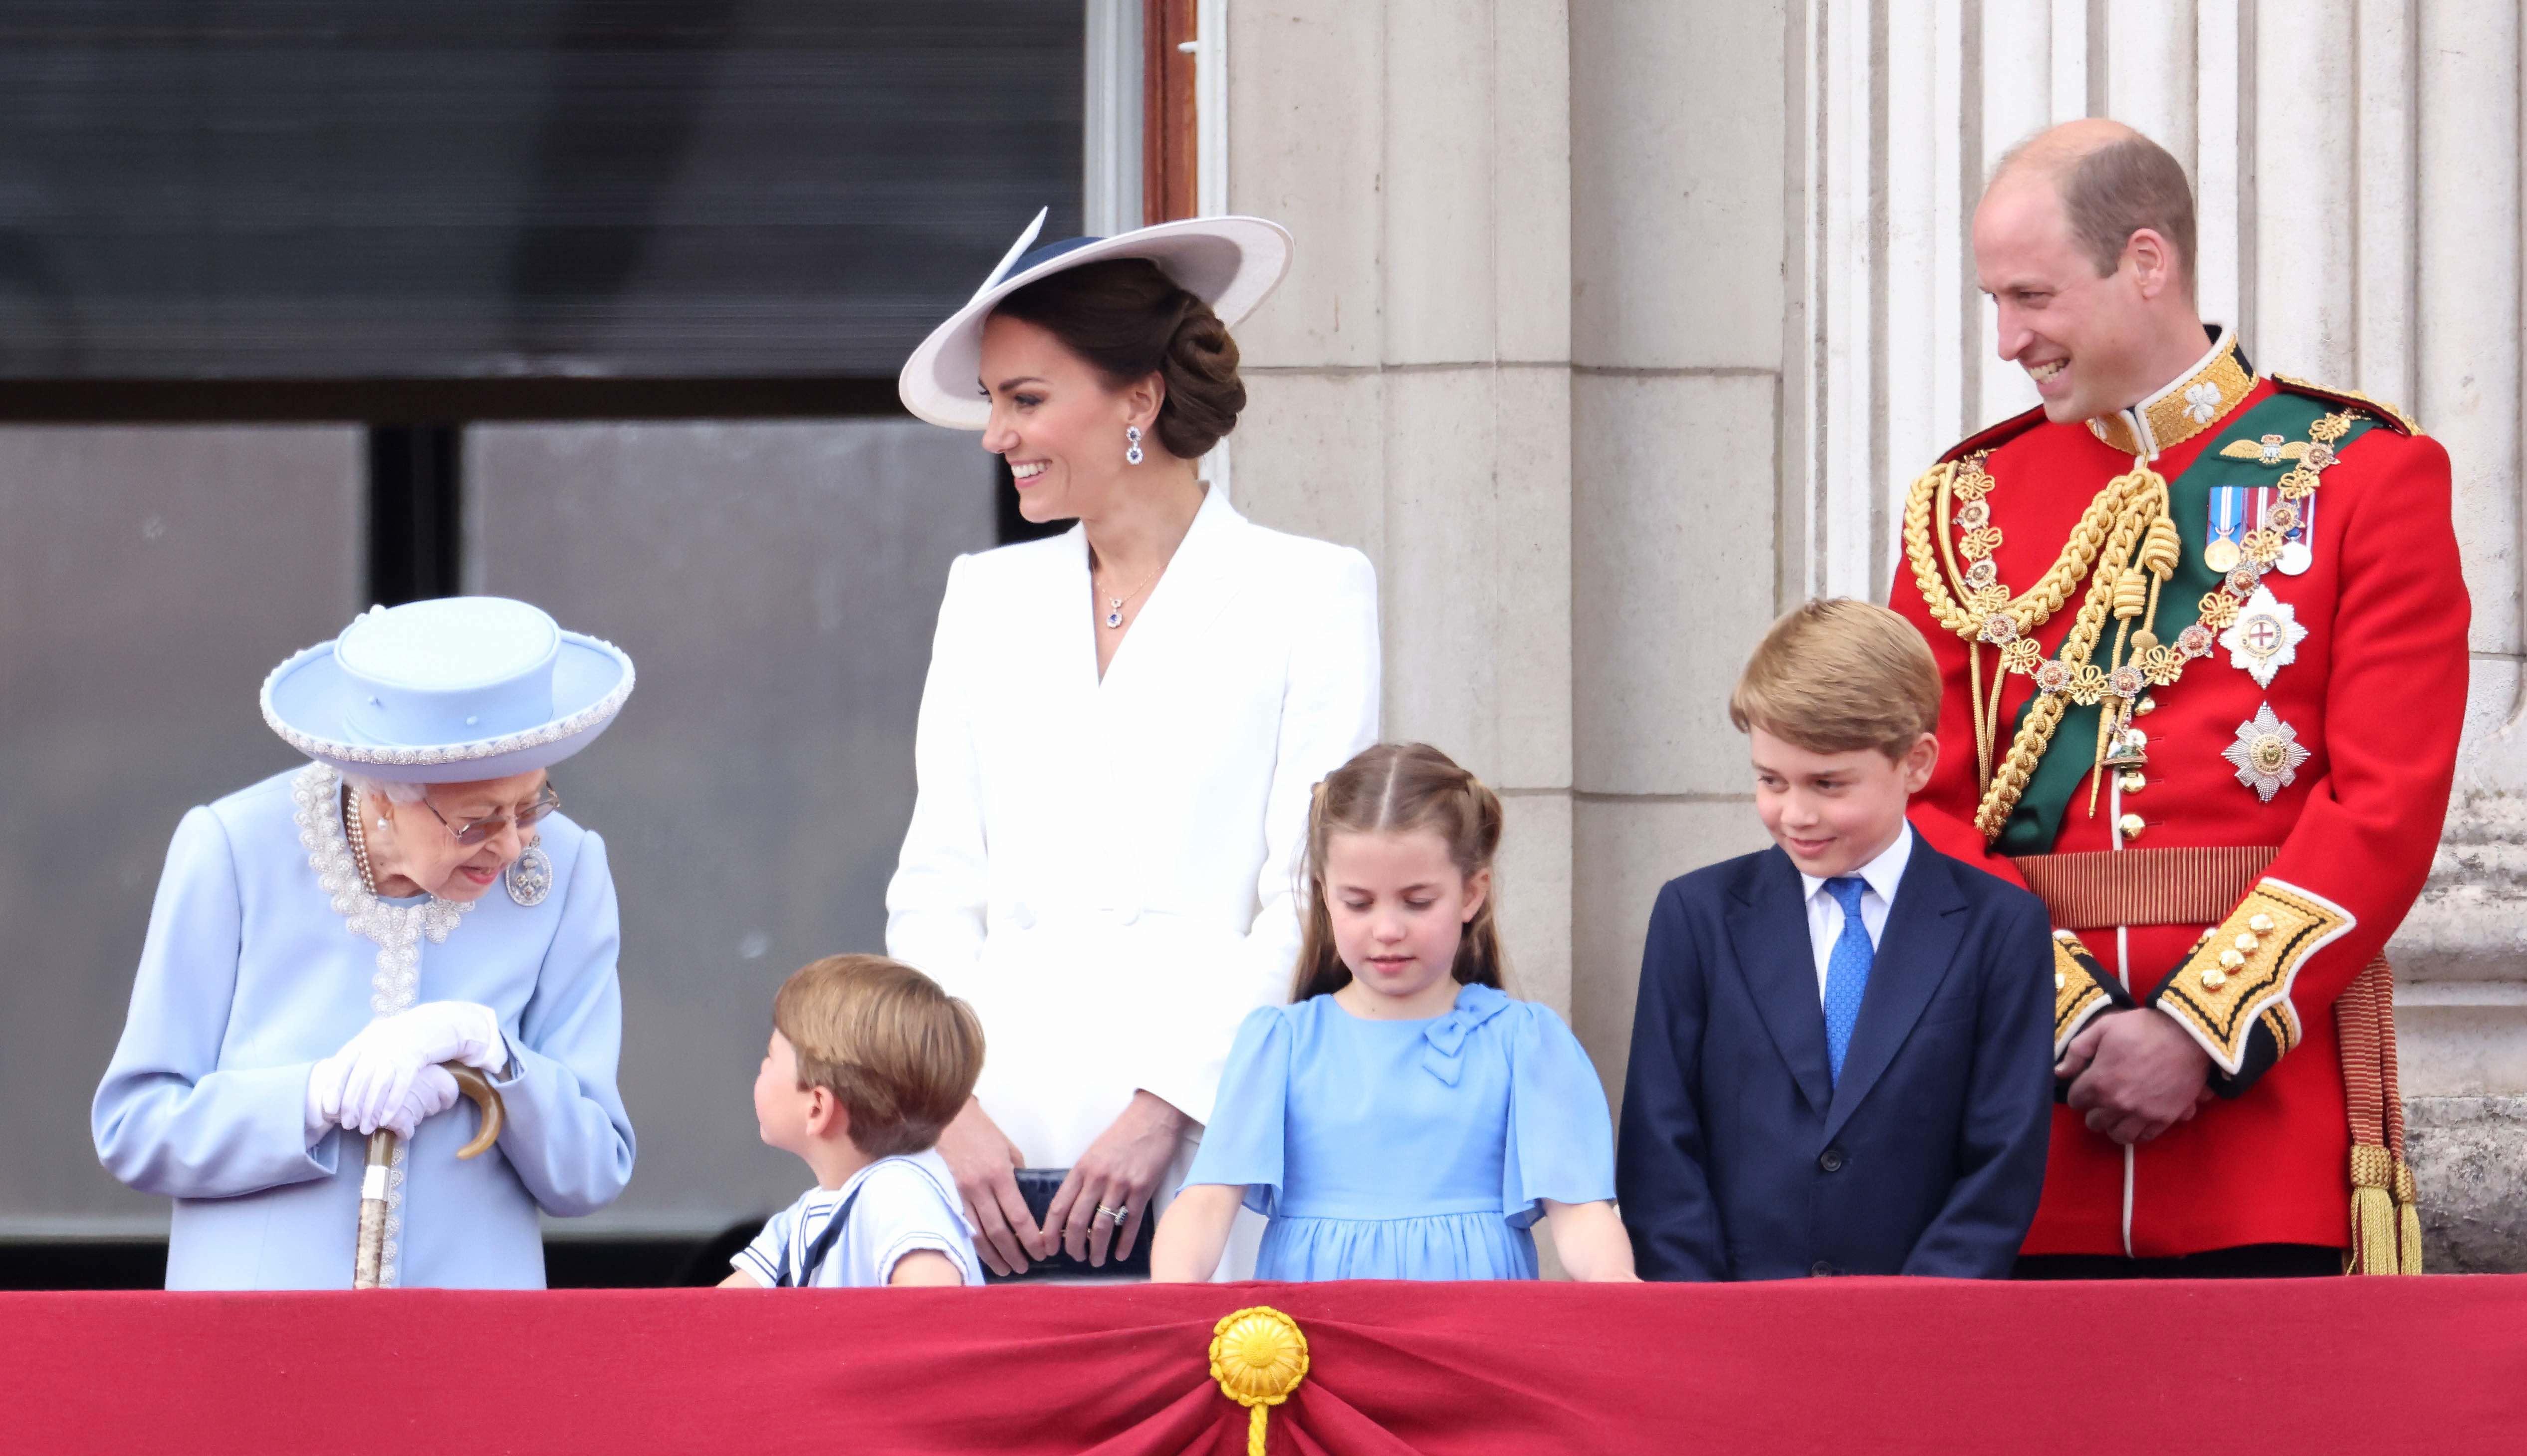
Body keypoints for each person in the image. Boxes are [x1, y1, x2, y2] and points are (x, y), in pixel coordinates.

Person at [1888, 120, 2466, 1275]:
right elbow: (1910, 797)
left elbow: (2382, 806)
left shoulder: (2360, 475)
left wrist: (2200, 1033)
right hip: (2025, 1121)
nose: (2006, 340)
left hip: (2260, 1136)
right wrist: (2074, 1019)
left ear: (2144, 263)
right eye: (1990, 301)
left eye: (2030, 297)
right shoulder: (1963, 506)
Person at [888, 210, 1381, 1278]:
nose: (995, 436)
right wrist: (948, 1110)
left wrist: (1171, 1104)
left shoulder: (1310, 591)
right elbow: (935, 884)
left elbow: (1306, 894)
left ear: (1139, 400)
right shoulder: (985, 595)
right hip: (990, 1151)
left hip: (1211, 1145)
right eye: (993, 403)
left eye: (1025, 401)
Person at [91, 596, 639, 1288]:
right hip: (253, 1342)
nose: (511, 843)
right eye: (476, 821)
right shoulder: (233, 848)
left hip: (468, 1350)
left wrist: (496, 1055)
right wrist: (315, 1096)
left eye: (531, 804)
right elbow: (135, 1128)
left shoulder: (567, 869)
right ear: (382, 793)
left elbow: (592, 1171)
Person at [1616, 601, 2055, 1280]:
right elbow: (1660, 1140)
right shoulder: (1695, 914)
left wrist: (1910, 1318)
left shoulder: (2001, 926)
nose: (1795, 813)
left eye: (1828, 783)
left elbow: (2003, 1157)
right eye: (1770, 780)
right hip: (1730, 1327)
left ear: (1915, 763)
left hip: (1917, 1333)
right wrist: (1699, 1313)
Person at [1149, 743, 1634, 1283]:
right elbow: (1206, 1202)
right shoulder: (1279, 1043)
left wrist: (1621, 1296)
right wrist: (1170, 1305)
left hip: (1470, 1335)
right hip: (1312, 1339)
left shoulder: (1525, 1040)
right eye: (1358, 902)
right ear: (1325, 897)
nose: (1387, 929)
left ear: (1472, 894)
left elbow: (1583, 1215)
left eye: (1417, 901)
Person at [721, 955, 985, 1289]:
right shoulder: (803, 1218)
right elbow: (718, 1314)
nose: (761, 1067)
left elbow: (930, 1297)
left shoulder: (898, 1191)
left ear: (817, 1108)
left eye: (771, 1056)